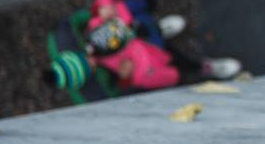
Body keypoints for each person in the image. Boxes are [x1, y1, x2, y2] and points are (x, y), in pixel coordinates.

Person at [83, 17, 241, 91]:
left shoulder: (92, 37)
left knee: (149, 32)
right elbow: (120, 86)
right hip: (148, 65)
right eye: (86, 66)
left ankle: (159, 30)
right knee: (178, 63)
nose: (89, 61)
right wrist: (126, 77)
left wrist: (105, 11)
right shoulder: (104, 71)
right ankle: (203, 68)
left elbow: (101, 15)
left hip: (142, 42)